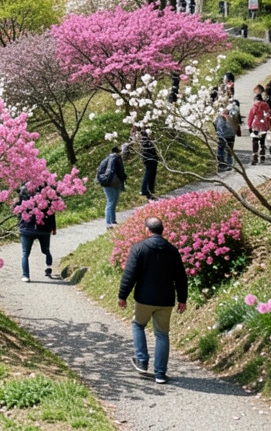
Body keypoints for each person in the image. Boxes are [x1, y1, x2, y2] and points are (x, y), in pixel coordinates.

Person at [117, 217, 189, 384]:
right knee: (162, 335)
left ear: (147, 230)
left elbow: (129, 275)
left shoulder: (139, 248)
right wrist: (182, 299)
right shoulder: (172, 250)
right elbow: (181, 277)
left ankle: (142, 360)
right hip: (166, 300)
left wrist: (122, 296)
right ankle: (160, 374)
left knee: (138, 324)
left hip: (144, 298)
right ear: (162, 230)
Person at [16, 185, 56, 282]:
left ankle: (25, 275)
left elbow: (18, 210)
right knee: (46, 250)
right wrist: (53, 227)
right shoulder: (47, 191)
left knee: (25, 253)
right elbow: (51, 213)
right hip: (44, 228)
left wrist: (19, 224)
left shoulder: (23, 190)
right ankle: (48, 267)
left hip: (26, 227)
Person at [96, 145, 126, 227]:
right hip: (110, 183)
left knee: (113, 202)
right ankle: (109, 223)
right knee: (111, 202)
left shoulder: (109, 158)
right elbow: (112, 171)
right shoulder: (114, 158)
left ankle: (113, 221)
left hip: (111, 183)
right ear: (118, 151)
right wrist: (123, 177)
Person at [247, 92, 271, 165]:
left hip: (255, 125)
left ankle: (255, 157)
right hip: (264, 125)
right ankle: (262, 157)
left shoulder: (254, 106)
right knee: (262, 141)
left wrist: (249, 126)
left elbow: (251, 116)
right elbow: (268, 116)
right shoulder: (266, 106)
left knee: (255, 141)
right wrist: (269, 126)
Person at [137, 130, 158, 200]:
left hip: (151, 160)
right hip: (150, 160)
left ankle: (150, 190)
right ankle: (144, 190)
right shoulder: (145, 140)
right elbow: (148, 151)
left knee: (151, 175)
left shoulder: (146, 140)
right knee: (148, 175)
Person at [214, 105, 235, 171]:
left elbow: (219, 128)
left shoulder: (222, 118)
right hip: (228, 136)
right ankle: (227, 164)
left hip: (226, 136)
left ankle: (224, 164)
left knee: (224, 150)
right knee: (227, 151)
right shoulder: (227, 118)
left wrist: (220, 136)